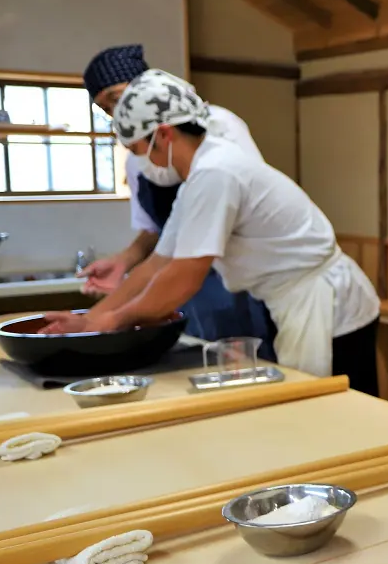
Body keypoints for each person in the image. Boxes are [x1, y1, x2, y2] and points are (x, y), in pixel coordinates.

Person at [43, 69, 382, 396]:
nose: (140, 163)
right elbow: (157, 264)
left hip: (332, 307)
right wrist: (91, 321)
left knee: (348, 419)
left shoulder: (216, 172)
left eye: (137, 150)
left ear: (163, 134)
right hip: (296, 301)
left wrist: (115, 320)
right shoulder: (197, 178)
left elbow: (183, 278)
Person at [81, 45, 275, 360]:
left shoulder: (216, 153)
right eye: (105, 109)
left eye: (117, 98)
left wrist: (113, 319)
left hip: (228, 281)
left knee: (238, 368)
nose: (116, 113)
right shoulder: (149, 161)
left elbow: (213, 241)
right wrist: (122, 266)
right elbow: (159, 246)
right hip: (176, 284)